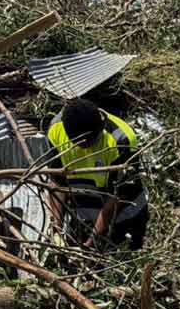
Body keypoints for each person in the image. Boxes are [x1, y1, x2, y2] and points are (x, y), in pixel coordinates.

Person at [46, 98, 149, 250]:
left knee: (122, 263)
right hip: (84, 215)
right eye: (78, 143)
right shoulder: (56, 130)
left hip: (124, 216)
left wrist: (91, 241)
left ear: (100, 127)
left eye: (89, 143)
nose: (85, 148)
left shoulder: (121, 139)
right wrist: (56, 228)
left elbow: (119, 197)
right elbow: (57, 182)